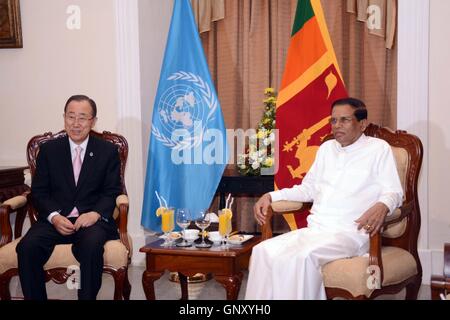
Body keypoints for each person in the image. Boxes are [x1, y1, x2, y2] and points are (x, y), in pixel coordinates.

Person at [245, 97, 403, 300]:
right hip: (316, 230)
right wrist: (271, 195)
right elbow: (308, 189)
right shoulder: (327, 149)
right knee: (262, 251)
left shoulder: (378, 149)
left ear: (362, 124)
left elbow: (394, 192)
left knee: (301, 258)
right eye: (333, 120)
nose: (337, 126)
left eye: (344, 120)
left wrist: (383, 205)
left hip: (350, 233)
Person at [16, 95, 121, 300]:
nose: (75, 123)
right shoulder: (48, 150)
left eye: (82, 118)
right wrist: (54, 216)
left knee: (91, 246)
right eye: (70, 116)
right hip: (57, 219)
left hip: (91, 221)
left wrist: (95, 214)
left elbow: (112, 191)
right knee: (27, 247)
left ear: (93, 121)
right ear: (64, 118)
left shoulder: (107, 151)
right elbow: (39, 191)